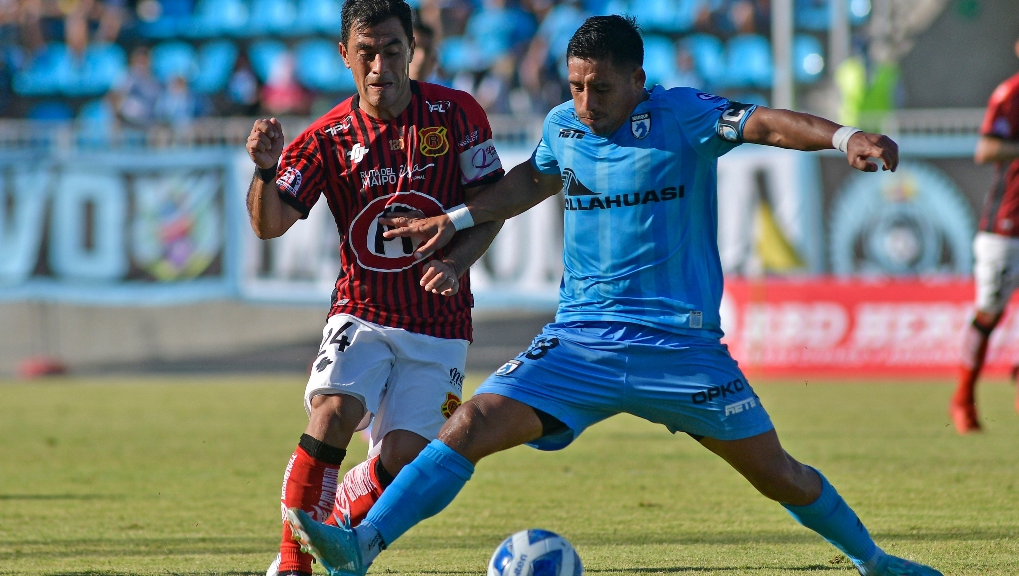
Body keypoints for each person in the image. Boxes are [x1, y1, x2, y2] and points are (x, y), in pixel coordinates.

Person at [284, 15, 944, 576]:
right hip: (580, 343)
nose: (584, 103)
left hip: (681, 349)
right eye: (574, 87)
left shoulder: (685, 116)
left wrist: (843, 138)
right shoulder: (563, 129)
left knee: (780, 475)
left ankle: (873, 561)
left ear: (638, 81)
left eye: (600, 88)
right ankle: (361, 547)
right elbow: (527, 184)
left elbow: (766, 124)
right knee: (469, 424)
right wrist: (453, 223)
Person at [246, 1, 506, 574]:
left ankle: (335, 508)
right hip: (360, 313)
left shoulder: (458, 115)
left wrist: (459, 260)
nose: (379, 65)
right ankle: (293, 564)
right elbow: (269, 224)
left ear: (412, 49)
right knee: (333, 412)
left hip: (439, 322)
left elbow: (494, 206)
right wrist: (266, 172)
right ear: (345, 55)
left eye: (392, 50)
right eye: (366, 52)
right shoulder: (325, 138)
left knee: (408, 457)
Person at [950, 37, 1019, 434]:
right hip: (1005, 227)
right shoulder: (1011, 93)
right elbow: (987, 148)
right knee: (989, 312)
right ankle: (963, 399)